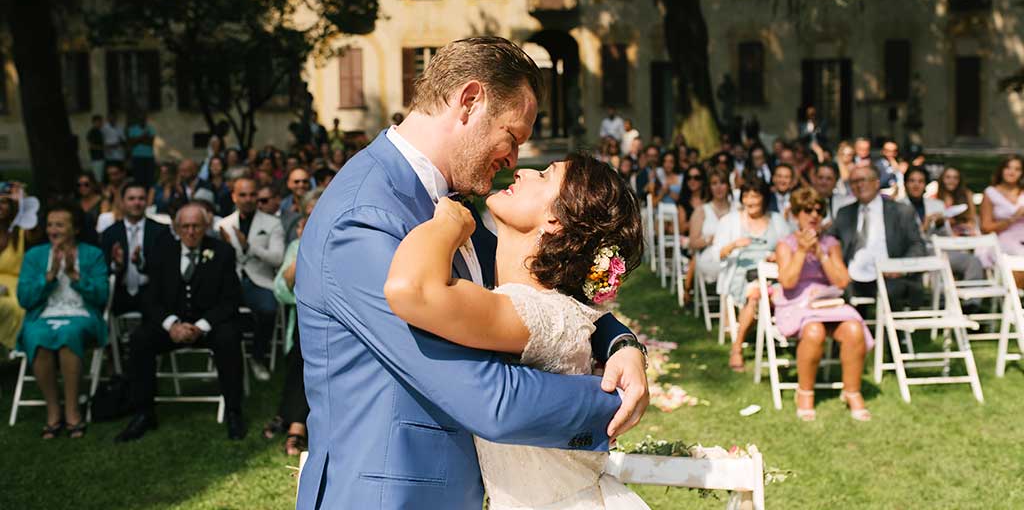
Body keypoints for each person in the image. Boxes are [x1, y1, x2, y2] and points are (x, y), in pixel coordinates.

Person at [295, 36, 648, 510]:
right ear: (469, 102)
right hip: (389, 495)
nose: (515, 160)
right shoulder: (366, 215)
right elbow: (487, 396)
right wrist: (613, 402)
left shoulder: (454, 209)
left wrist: (620, 342)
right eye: (513, 136)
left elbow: (541, 300)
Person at [384, 154, 650, 510]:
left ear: (556, 220)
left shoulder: (540, 313)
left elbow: (410, 289)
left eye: (543, 175)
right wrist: (626, 345)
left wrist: (447, 223)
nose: (522, 170)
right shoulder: (547, 306)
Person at [115, 203, 245, 442]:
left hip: (209, 326)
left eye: (196, 226)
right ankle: (143, 412)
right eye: (185, 226)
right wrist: (171, 324)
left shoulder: (223, 252)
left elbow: (230, 300)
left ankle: (234, 411)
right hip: (172, 326)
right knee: (140, 339)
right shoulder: (162, 252)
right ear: (176, 228)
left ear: (206, 226)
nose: (191, 231)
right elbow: (150, 298)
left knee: (230, 337)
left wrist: (202, 326)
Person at [773, 188, 873, 422]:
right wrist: (802, 252)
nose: (814, 215)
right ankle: (805, 393)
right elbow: (787, 282)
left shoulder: (831, 243)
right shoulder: (785, 245)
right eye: (807, 210)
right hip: (797, 303)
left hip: (829, 303)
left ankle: (852, 391)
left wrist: (820, 254)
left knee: (854, 329)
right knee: (814, 331)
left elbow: (842, 281)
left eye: (819, 210)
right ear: (796, 214)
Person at [17, 205, 108, 439]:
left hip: (81, 314)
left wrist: (75, 276)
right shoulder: (34, 255)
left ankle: (72, 410)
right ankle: (52, 410)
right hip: (45, 314)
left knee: (69, 334)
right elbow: (25, 298)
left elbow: (101, 296)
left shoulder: (92, 254)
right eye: (49, 224)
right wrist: (48, 277)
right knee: (37, 336)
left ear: (75, 229)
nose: (53, 230)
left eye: (60, 225)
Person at [715, 178, 790, 371]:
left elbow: (789, 246)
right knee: (756, 295)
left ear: (764, 198)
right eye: (746, 196)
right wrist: (733, 245)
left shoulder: (776, 220)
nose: (750, 201)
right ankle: (737, 347)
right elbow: (719, 254)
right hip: (742, 274)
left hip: (773, 272)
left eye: (755, 196)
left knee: (777, 290)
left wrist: (777, 256)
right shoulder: (730, 220)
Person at [829, 164, 927, 311]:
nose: (859, 185)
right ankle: (855, 331)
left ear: (876, 183)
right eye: (854, 182)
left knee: (891, 292)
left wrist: (899, 268)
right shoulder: (845, 213)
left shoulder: (901, 211)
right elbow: (830, 242)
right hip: (853, 275)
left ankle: (892, 333)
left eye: (863, 180)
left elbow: (917, 245)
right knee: (838, 290)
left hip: (890, 274)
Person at [216, 177, 284, 381]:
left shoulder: (273, 223)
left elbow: (277, 258)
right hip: (229, 282)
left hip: (259, 281)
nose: (247, 199)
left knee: (268, 310)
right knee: (216, 311)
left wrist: (249, 247)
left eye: (252, 194)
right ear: (234, 197)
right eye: (242, 195)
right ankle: (221, 358)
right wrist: (225, 248)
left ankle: (257, 356)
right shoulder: (223, 224)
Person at [263, 215, 310, 456]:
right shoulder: (295, 247)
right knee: (302, 350)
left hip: (334, 327)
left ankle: (291, 420)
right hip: (301, 325)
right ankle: (295, 421)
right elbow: (280, 292)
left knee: (305, 350)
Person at [901, 167, 985, 281]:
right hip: (913, 254)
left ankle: (971, 299)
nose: (916, 185)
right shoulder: (897, 206)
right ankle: (940, 297)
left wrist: (940, 224)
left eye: (920, 181)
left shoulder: (937, 205)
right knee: (939, 265)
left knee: (973, 261)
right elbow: (901, 239)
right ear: (905, 183)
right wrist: (923, 228)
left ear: (925, 184)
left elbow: (946, 235)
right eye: (912, 181)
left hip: (938, 249)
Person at [101, 183, 170, 315]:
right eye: (131, 199)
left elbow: (165, 269)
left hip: (152, 294)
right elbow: (103, 270)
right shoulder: (110, 233)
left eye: (141, 198)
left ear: (147, 201)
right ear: (122, 202)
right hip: (119, 294)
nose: (136, 203)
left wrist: (141, 263)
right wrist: (117, 265)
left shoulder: (161, 231)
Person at [689, 168, 733, 292]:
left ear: (728, 186)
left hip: (734, 253)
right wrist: (712, 239)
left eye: (722, 183)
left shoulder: (737, 209)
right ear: (710, 187)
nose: (719, 187)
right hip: (711, 256)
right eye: (714, 183)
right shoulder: (702, 210)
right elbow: (693, 243)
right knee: (729, 267)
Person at [0, 194, 30, 350]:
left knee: (15, 307)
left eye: (4, 202)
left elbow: (35, 224)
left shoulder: (21, 231)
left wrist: (23, 200)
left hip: (15, 284)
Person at [980, 154, 1024, 259]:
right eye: (1008, 167)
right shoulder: (991, 192)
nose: (1012, 172)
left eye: (1017, 169)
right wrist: (1013, 218)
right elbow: (985, 228)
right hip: (1005, 240)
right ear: (1001, 170)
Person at [936, 166, 979, 236]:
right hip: (944, 237)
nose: (951, 181)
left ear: (959, 180)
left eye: (955, 178)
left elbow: (972, 219)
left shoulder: (967, 194)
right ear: (942, 179)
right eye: (948, 177)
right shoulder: (935, 198)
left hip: (965, 236)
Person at [813, 161, 854, 227]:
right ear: (814, 179)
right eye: (820, 178)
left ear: (836, 181)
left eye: (829, 179)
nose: (824, 182)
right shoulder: (804, 201)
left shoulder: (847, 202)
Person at [126, 111, 157, 188]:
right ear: (137, 119)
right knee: (139, 179)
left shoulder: (151, 128)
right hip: (137, 156)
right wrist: (144, 136)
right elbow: (131, 143)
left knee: (149, 179)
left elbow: (150, 142)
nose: (142, 119)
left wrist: (138, 140)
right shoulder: (132, 129)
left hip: (149, 156)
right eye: (140, 118)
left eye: (143, 118)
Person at [77, 172, 103, 241]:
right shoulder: (76, 203)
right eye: (79, 185)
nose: (82, 187)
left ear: (93, 184)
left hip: (98, 238)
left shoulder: (102, 201)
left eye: (86, 184)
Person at [86, 114, 106, 182]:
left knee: (102, 177)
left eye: (101, 121)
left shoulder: (99, 131)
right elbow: (91, 145)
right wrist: (103, 148)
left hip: (101, 157)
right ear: (94, 122)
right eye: (99, 121)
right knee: (98, 178)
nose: (101, 123)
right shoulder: (92, 132)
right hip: (96, 158)